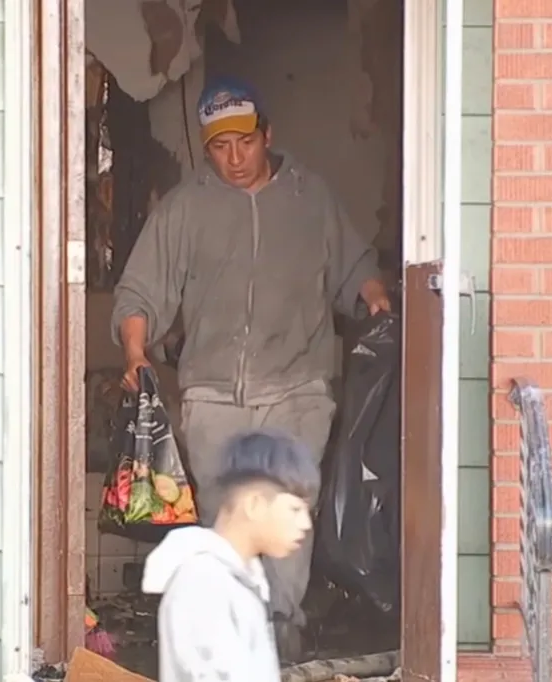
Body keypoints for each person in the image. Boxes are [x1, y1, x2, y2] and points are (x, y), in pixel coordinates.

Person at [111, 75, 390, 660]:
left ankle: (279, 640)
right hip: (214, 395)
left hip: (298, 389)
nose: (233, 159)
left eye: (245, 142)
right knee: (228, 524)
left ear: (268, 134)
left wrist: (376, 298)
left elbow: (353, 265)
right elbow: (141, 289)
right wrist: (136, 349)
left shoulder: (310, 198)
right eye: (218, 147)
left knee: (286, 514)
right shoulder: (186, 208)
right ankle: (232, 649)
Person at [141, 429, 320, 682]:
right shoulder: (206, 586)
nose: (305, 524)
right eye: (294, 509)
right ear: (255, 505)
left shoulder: (241, 579)